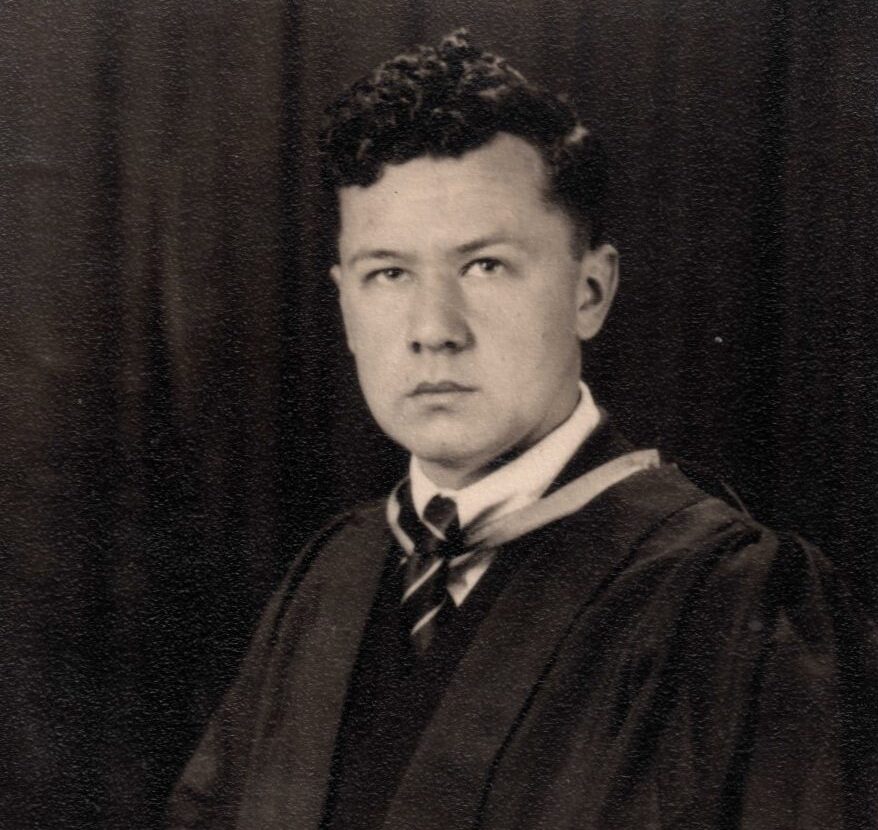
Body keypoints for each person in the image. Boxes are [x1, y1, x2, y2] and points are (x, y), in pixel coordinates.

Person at [168, 30, 876, 830]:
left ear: (591, 291)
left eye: (485, 266)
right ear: (345, 305)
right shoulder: (329, 580)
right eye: (389, 273)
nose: (433, 329)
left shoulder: (730, 599)